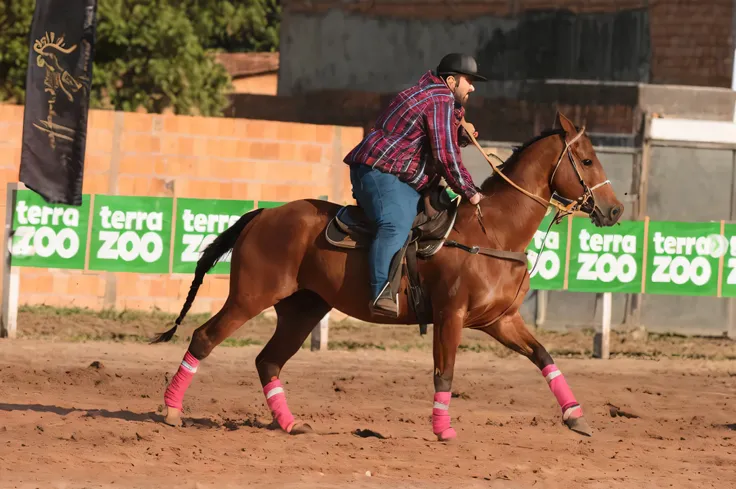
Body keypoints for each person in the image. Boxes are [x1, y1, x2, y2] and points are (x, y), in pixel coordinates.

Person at [343, 53, 487, 317]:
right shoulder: (439, 99)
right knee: (395, 222)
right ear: (452, 81)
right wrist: (470, 191)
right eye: (469, 80)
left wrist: (460, 132)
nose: (473, 87)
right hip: (380, 172)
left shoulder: (438, 98)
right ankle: (380, 292)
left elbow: (437, 137)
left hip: (400, 176)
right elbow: (445, 155)